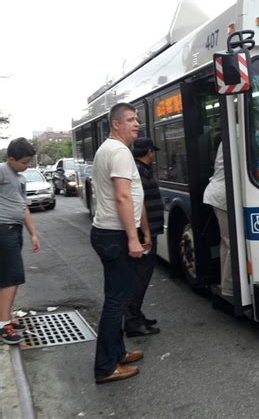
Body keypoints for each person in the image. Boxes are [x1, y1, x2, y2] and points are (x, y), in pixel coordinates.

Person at [90, 103, 152, 385]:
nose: (136, 124)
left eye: (137, 119)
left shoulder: (108, 149)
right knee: (117, 302)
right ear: (116, 124)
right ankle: (105, 367)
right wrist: (132, 237)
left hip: (106, 233)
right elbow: (123, 197)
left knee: (116, 297)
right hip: (115, 235)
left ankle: (117, 353)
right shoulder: (119, 152)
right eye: (130, 120)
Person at [0, 137, 40, 344]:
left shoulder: (20, 178)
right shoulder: (2, 170)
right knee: (11, 278)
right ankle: (3, 325)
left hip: (14, 230)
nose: (27, 166)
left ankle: (5, 318)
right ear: (12, 159)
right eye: (24, 162)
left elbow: (24, 208)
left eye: (29, 162)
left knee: (9, 278)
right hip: (3, 230)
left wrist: (33, 233)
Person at [124, 137, 164, 337]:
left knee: (140, 276)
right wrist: (145, 234)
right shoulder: (139, 171)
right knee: (140, 277)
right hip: (143, 233)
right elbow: (138, 205)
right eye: (153, 151)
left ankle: (137, 315)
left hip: (146, 231)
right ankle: (132, 322)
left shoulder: (139, 169)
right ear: (149, 152)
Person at [203, 141, 233, 297]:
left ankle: (226, 284)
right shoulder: (238, 133)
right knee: (231, 243)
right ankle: (229, 288)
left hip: (219, 194)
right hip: (222, 196)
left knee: (226, 242)